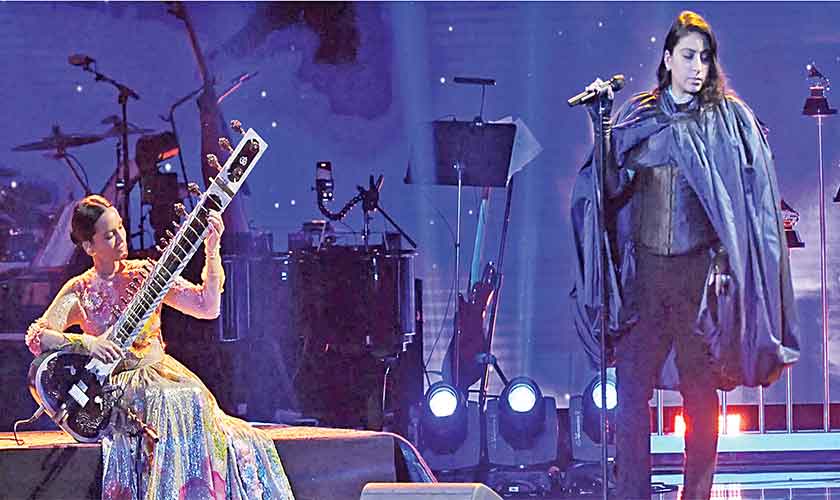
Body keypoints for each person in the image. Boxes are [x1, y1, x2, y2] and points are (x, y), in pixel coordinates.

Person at [570, 11, 800, 500]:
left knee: (700, 399)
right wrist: (602, 123)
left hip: (697, 283)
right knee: (630, 397)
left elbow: (748, 200)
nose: (698, 67)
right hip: (647, 283)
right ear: (668, 58)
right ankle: (632, 492)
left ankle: (695, 494)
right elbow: (607, 191)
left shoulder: (727, 121)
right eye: (689, 56)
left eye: (706, 57)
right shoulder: (640, 115)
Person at [25, 194, 295, 499]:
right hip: (117, 387)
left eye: (121, 228)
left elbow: (207, 307)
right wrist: (89, 343)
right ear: (89, 247)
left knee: (188, 396)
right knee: (162, 400)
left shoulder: (145, 274)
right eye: (109, 235)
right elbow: (37, 337)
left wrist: (211, 248)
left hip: (162, 372)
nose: (120, 238)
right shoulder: (80, 290)